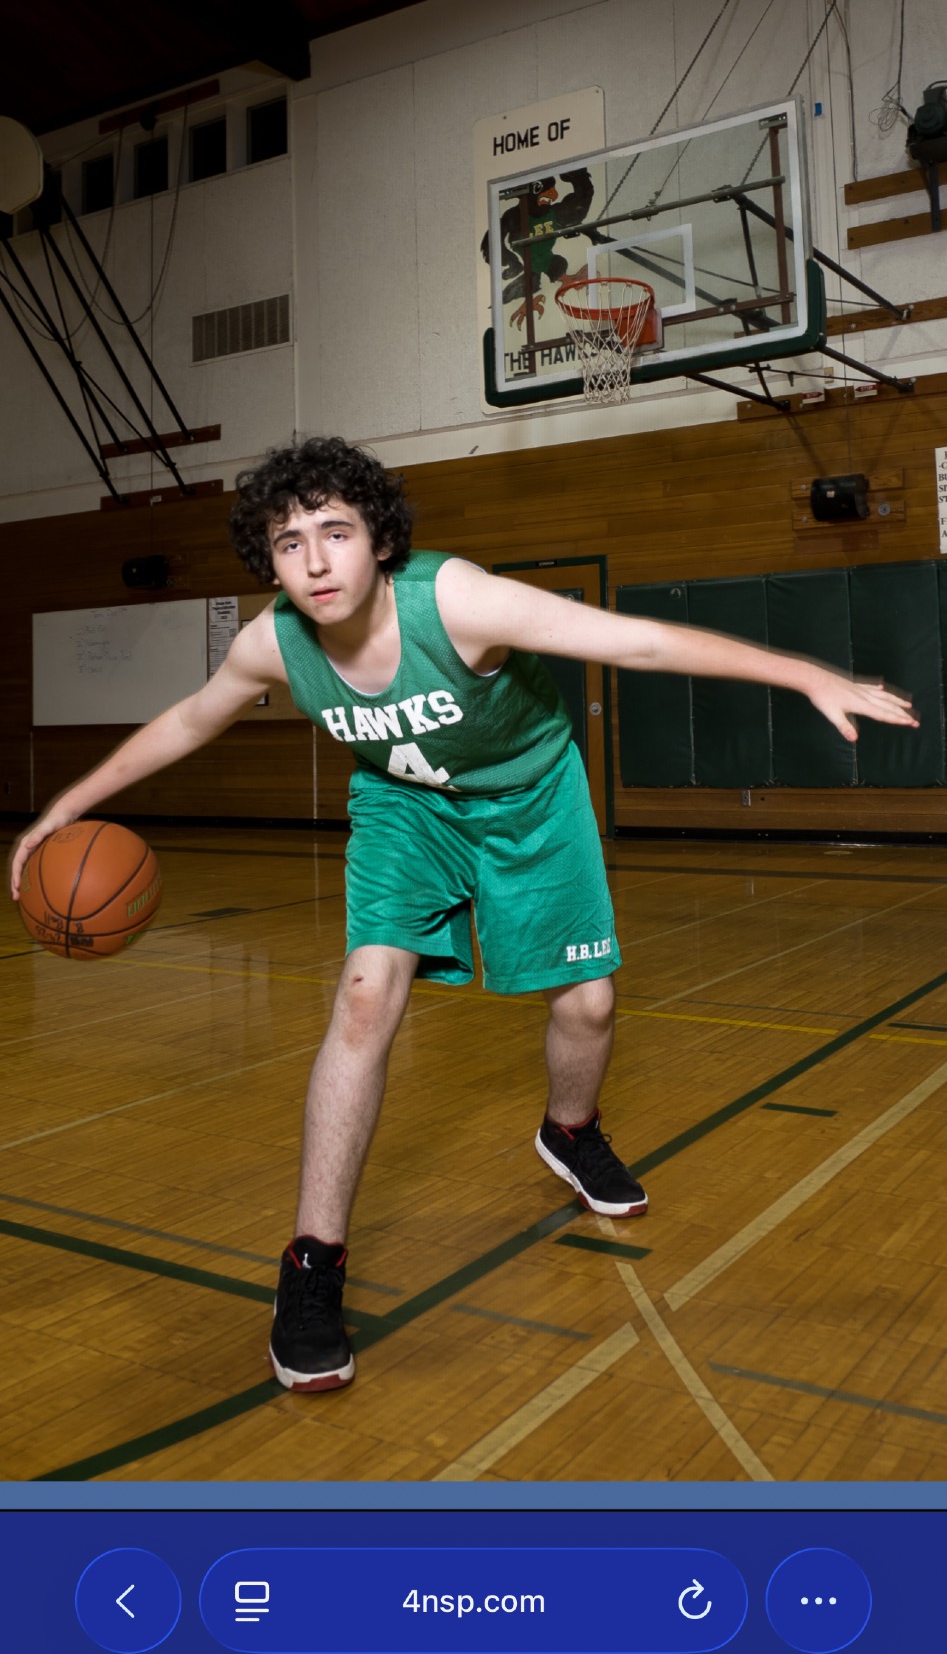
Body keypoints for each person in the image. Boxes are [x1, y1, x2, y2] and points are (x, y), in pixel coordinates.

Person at [9, 436, 918, 1394]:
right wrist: (68, 805)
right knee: (365, 998)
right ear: (268, 562)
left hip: (531, 797)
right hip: (404, 808)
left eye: (335, 532)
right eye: (288, 542)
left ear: (379, 539)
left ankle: (569, 1131)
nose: (315, 561)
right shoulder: (271, 644)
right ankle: (312, 1266)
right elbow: (193, 719)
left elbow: (636, 643)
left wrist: (802, 674)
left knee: (589, 1006)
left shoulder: (457, 603)